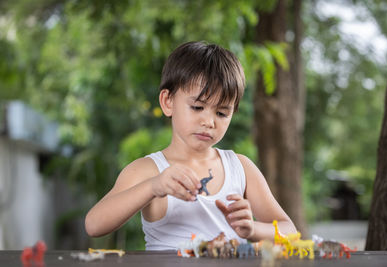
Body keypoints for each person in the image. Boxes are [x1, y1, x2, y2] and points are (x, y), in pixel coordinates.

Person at [85, 41, 297, 250]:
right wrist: (153, 187)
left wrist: (253, 229)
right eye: (197, 107)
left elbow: (291, 232)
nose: (209, 122)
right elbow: (94, 225)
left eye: (222, 113)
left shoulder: (240, 167)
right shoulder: (148, 170)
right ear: (168, 102)